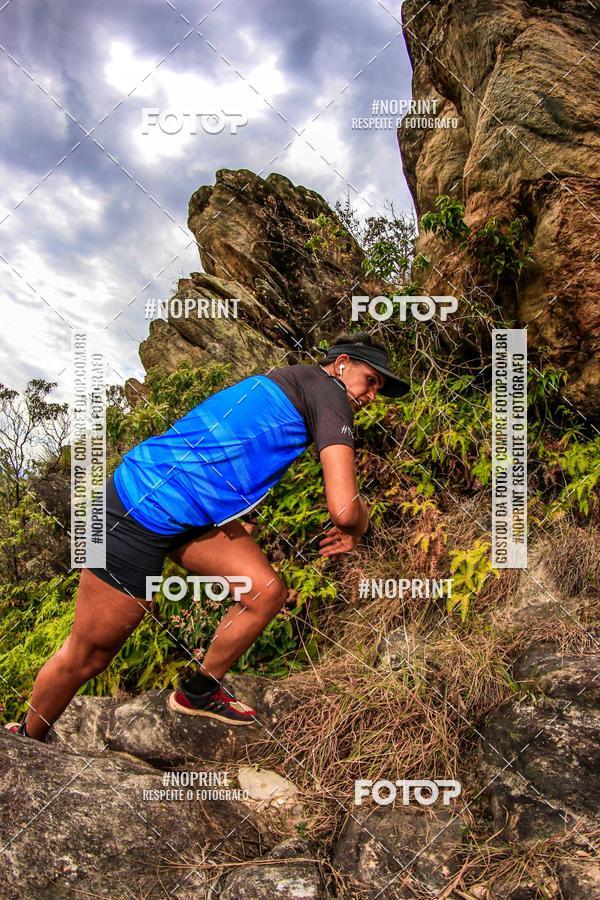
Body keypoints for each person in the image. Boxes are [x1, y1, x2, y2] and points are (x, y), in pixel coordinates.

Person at [5, 332, 408, 739]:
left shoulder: (293, 382)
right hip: (129, 512)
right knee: (89, 655)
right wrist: (360, 525)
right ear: (341, 364)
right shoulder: (330, 393)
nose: (372, 395)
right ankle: (28, 739)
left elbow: (241, 447)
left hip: (186, 515)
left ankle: (198, 691)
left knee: (264, 592)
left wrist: (247, 515)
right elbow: (343, 508)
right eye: (371, 380)